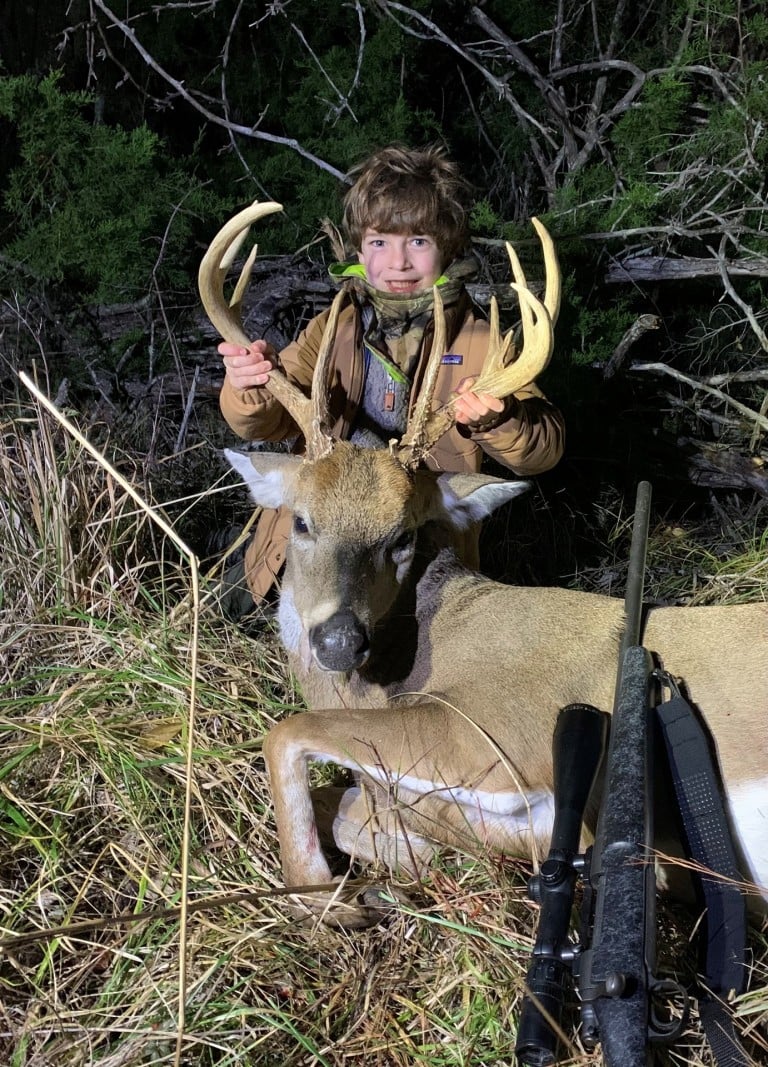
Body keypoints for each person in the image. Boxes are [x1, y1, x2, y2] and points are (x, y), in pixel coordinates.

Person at [216, 143, 564, 615]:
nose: (398, 263)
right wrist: (251, 386)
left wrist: (500, 420)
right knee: (234, 619)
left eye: (418, 242)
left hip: (415, 544)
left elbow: (542, 450)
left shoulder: (482, 343)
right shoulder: (331, 328)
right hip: (316, 540)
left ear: (447, 249)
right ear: (359, 249)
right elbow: (258, 425)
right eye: (380, 242)